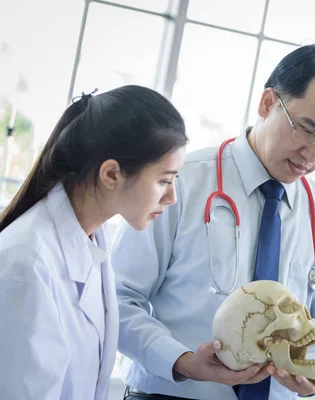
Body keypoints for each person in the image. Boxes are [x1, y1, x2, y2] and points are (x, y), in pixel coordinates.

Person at [112, 44, 315, 400]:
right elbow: (118, 297)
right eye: (307, 130)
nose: (313, 156)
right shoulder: (180, 182)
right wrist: (183, 361)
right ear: (267, 103)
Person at [0, 85, 188, 400]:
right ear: (111, 174)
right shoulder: (26, 264)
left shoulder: (92, 242)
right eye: (164, 181)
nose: (171, 197)